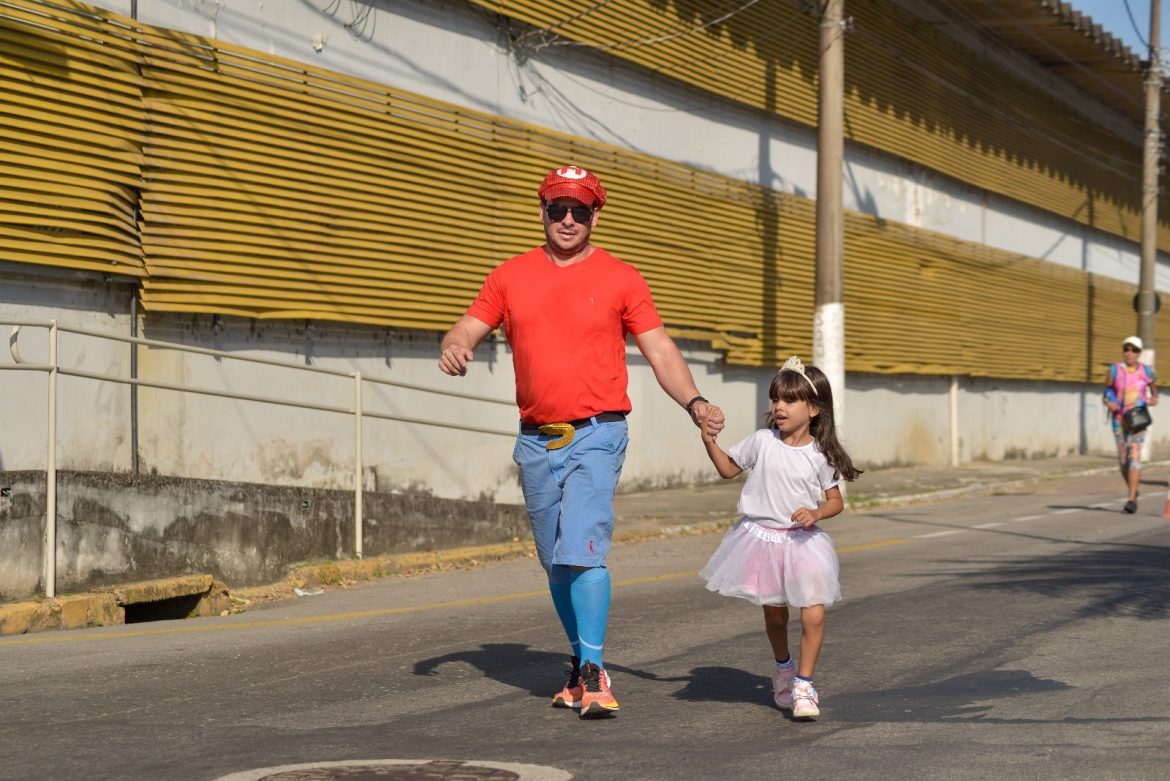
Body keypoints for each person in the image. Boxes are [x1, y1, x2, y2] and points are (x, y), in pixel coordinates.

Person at [438, 165, 725, 719]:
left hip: (599, 433)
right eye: (557, 209)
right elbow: (467, 326)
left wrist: (694, 402)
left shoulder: (622, 278)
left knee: (582, 548)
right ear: (543, 210)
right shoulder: (509, 276)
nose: (567, 219)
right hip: (535, 442)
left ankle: (593, 672)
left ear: (596, 214)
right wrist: (454, 344)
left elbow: (659, 350)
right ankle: (579, 660)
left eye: (580, 210)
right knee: (554, 563)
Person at [697, 356, 861, 720]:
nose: (778, 407)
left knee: (813, 614)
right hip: (761, 541)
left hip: (804, 544)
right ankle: (783, 667)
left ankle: (804, 685)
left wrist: (816, 513)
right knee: (775, 616)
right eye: (776, 399)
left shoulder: (820, 455)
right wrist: (710, 440)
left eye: (789, 400)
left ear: (814, 408)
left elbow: (835, 501)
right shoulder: (762, 441)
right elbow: (727, 469)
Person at [1103, 336, 1158, 514]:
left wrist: (1154, 398)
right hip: (1119, 420)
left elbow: (1154, 387)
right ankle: (1134, 489)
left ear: (1139, 353)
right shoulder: (1114, 370)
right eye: (1126, 349)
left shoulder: (1147, 371)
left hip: (1138, 421)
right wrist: (1108, 401)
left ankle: (1131, 499)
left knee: (1135, 457)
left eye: (1134, 350)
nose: (1129, 353)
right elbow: (1108, 390)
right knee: (1123, 461)